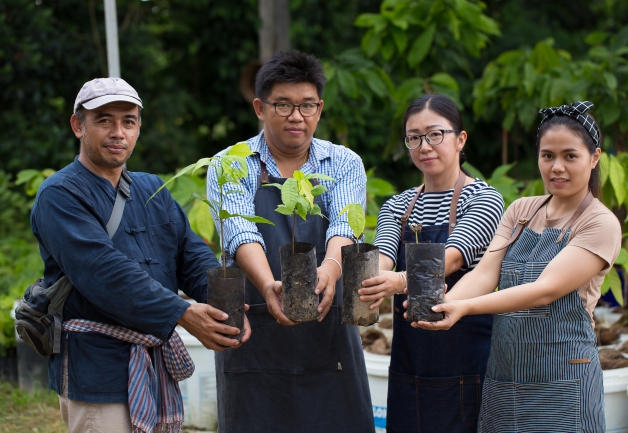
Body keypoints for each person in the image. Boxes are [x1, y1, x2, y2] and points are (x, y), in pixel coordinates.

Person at [30, 77, 250, 433]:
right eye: (104, 120)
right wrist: (182, 312)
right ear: (78, 125)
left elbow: (190, 255)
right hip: (96, 368)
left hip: (154, 360)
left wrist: (227, 305)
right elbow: (104, 272)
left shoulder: (152, 188)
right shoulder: (59, 195)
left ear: (138, 128)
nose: (118, 131)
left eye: (128, 121)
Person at [414, 101, 621, 432]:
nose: (557, 167)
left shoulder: (600, 223)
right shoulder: (522, 210)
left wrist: (463, 307)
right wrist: (444, 303)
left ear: (594, 158)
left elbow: (544, 291)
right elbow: (486, 272)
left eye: (570, 156)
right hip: (505, 381)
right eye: (547, 155)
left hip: (564, 382)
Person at [207, 51, 374, 433]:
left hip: (326, 325)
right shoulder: (231, 163)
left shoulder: (343, 162)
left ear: (320, 108)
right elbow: (240, 232)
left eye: (307, 105)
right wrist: (267, 285)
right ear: (260, 108)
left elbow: (346, 224)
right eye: (283, 104)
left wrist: (330, 270)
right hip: (255, 328)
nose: (296, 116)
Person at [359, 94, 504, 432]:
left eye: (435, 134)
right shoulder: (397, 205)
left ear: (460, 139)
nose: (424, 146)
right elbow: (383, 255)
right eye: (414, 137)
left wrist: (397, 282)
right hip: (411, 360)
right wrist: (372, 283)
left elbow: (452, 256)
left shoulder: (483, 198)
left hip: (466, 359)